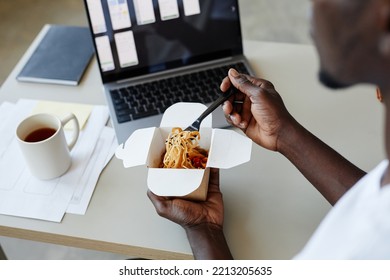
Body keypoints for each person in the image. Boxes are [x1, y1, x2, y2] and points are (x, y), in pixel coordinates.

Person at [148, 0, 390, 259]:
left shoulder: (366, 250)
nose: (310, 7)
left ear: (384, 18)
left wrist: (202, 228)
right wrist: (284, 134)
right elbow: (375, 200)